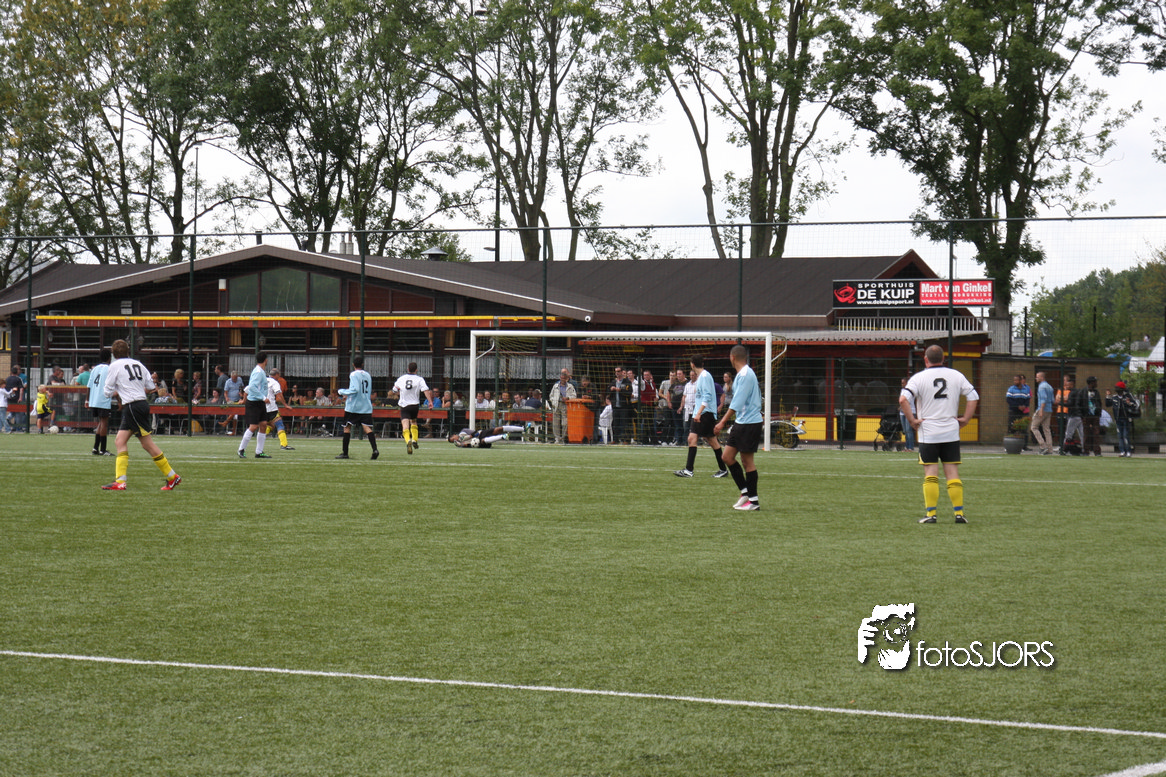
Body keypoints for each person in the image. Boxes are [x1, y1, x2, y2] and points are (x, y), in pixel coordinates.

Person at [899, 345, 979, 524]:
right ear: (943, 359)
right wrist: (966, 418)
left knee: (930, 473)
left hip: (929, 432)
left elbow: (903, 399)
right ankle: (959, 514)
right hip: (951, 430)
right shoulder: (956, 375)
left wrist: (912, 420)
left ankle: (931, 515)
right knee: (952, 472)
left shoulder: (918, 378)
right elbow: (973, 396)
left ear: (925, 359)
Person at [100, 339, 181, 491]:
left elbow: (107, 392)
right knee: (120, 441)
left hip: (133, 406)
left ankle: (172, 476)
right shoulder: (138, 364)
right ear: (127, 351)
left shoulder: (114, 366)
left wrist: (119, 390)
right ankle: (120, 481)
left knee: (147, 444)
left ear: (113, 354)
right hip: (140, 404)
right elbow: (150, 386)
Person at [715, 345, 764, 511]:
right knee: (727, 457)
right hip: (741, 422)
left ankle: (754, 502)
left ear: (732, 357)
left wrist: (722, 422)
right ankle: (745, 492)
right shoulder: (742, 374)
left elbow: (737, 403)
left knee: (747, 462)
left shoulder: (745, 375)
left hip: (749, 423)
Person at [674, 355, 728, 479]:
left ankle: (689, 470)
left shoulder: (704, 376)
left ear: (692, 364)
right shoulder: (702, 376)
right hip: (703, 413)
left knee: (693, 439)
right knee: (711, 440)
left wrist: (699, 412)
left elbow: (707, 396)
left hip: (704, 413)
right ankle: (723, 469)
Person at [337, 355, 380, 460]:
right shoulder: (367, 375)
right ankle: (375, 449)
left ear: (353, 364)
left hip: (354, 406)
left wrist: (342, 391)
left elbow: (355, 389)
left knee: (347, 427)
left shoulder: (353, 374)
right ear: (362, 364)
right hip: (366, 405)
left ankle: (345, 453)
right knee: (367, 428)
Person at [391, 362, 432, 454]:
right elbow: (425, 390)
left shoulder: (401, 378)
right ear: (416, 370)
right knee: (413, 422)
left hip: (404, 405)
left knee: (405, 425)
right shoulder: (419, 379)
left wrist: (401, 393)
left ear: (408, 369)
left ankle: (408, 440)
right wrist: (430, 402)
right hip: (414, 405)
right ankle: (414, 440)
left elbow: (394, 390)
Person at [237, 352, 271, 459]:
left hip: (259, 402)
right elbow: (252, 387)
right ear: (266, 360)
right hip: (254, 403)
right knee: (253, 426)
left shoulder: (260, 371)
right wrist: (263, 397)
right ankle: (241, 449)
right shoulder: (258, 372)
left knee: (263, 424)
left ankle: (259, 452)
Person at [86, 348, 113, 455]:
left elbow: (89, 385)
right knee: (104, 424)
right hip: (103, 399)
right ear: (109, 358)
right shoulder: (109, 369)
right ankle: (103, 449)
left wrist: (87, 400)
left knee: (100, 423)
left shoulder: (95, 369)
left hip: (94, 399)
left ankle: (95, 448)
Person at [1106, 380, 1139, 457]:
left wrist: (1129, 403)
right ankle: (1122, 451)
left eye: (1118, 388)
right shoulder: (1114, 397)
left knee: (1125, 435)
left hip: (1126, 419)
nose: (1116, 389)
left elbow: (1135, 405)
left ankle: (1128, 451)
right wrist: (1108, 396)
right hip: (1118, 419)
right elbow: (1108, 404)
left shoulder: (1128, 396)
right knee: (1120, 435)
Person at [264, 371, 294, 451]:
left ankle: (260, 438)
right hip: (271, 408)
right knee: (279, 424)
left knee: (270, 425)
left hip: (262, 408)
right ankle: (284, 445)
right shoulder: (274, 382)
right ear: (277, 375)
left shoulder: (262, 380)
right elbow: (279, 394)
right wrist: (285, 405)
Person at [550, 368, 577, 444]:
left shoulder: (570, 386)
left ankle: (563, 438)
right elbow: (551, 396)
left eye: (564, 378)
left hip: (565, 405)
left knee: (565, 423)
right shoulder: (555, 386)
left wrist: (568, 398)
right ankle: (557, 438)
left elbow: (574, 396)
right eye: (561, 378)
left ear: (566, 379)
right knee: (556, 423)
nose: (562, 380)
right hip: (557, 405)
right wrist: (553, 401)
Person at [1031, 371, 1054, 455]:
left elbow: (1043, 399)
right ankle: (1050, 449)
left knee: (1034, 427)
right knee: (1046, 429)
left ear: (1042, 377)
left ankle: (1043, 446)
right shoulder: (1049, 387)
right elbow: (1052, 400)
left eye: (1037, 377)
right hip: (1049, 409)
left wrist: (1041, 410)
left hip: (1042, 409)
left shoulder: (1041, 387)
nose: (1036, 378)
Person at [1059, 374, 1083, 454]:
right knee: (1082, 433)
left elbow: (1070, 404)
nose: (1066, 386)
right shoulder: (1078, 392)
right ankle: (1084, 449)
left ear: (1072, 385)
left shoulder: (1071, 393)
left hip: (1073, 415)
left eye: (1068, 385)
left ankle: (1064, 449)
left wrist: (1061, 403)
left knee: (1068, 433)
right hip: (1079, 415)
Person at [1080, 376, 1103, 456]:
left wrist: (1098, 413)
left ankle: (1097, 451)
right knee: (1086, 434)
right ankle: (1086, 451)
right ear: (1091, 383)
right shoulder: (1083, 392)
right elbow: (1079, 403)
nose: (1096, 384)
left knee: (1096, 433)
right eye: (1095, 382)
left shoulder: (1096, 392)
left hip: (1095, 416)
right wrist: (1082, 415)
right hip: (1086, 416)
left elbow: (1099, 402)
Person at [447, 425, 525, 448]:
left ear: (454, 435)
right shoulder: (460, 444)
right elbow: (469, 445)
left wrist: (470, 436)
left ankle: (522, 429)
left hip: (481, 434)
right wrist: (463, 444)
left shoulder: (463, 431)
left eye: (453, 439)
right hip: (479, 443)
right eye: (453, 441)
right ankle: (503, 436)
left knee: (498, 429)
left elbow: (474, 433)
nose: (455, 440)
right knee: (483, 441)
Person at [898, 377, 916, 452]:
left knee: (909, 430)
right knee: (905, 430)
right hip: (902, 412)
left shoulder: (911, 391)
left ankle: (910, 447)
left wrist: (901, 406)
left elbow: (907, 400)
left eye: (903, 383)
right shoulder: (902, 390)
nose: (902, 384)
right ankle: (907, 446)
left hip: (909, 411)